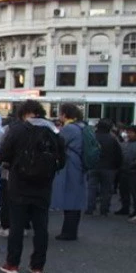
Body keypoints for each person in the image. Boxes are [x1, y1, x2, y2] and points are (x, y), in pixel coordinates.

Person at [0, 100, 65, 273]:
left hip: (19, 183)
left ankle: (12, 264)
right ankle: (37, 267)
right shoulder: (53, 131)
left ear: (24, 113)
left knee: (17, 226)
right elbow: (62, 160)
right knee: (41, 227)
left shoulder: (18, 129)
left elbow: (3, 153)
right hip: (43, 186)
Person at [51, 103, 87, 240]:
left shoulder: (70, 128)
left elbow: (57, 143)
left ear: (65, 114)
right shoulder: (81, 126)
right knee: (75, 198)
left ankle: (68, 232)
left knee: (70, 199)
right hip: (79, 165)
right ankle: (71, 231)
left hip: (71, 166)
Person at [86, 119, 122, 216]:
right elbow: (119, 154)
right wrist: (117, 167)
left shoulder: (92, 137)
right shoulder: (112, 139)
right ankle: (104, 209)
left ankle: (89, 208)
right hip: (109, 168)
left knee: (91, 188)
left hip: (93, 166)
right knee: (106, 189)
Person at [117, 125, 136, 216]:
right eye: (128, 132)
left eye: (130, 132)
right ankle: (125, 208)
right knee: (123, 190)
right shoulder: (126, 143)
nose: (128, 134)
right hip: (124, 170)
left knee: (135, 192)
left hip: (135, 172)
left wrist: (134, 163)